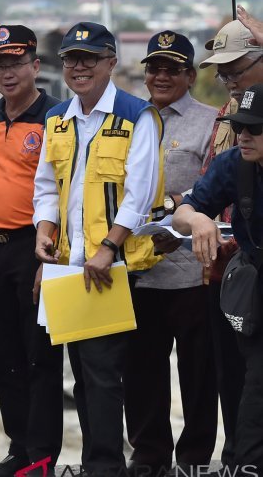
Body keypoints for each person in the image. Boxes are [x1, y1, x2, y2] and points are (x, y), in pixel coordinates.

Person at [32, 22, 164, 477]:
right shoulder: (58, 119)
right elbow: (47, 186)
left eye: (90, 58)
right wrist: (43, 232)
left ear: (111, 62)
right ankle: (97, 463)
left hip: (115, 266)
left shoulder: (136, 115)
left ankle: (105, 466)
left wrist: (109, 247)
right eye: (71, 58)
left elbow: (140, 194)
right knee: (84, 377)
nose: (79, 66)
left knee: (105, 374)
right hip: (70, 267)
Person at [0, 24, 63, 477]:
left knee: (40, 356)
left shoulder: (54, 116)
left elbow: (63, 190)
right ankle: (19, 450)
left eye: (16, 63)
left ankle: (43, 458)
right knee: (4, 355)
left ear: (35, 66)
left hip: (35, 248)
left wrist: (54, 255)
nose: (8, 72)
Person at [122, 30, 218, 476]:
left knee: (198, 375)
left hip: (192, 270)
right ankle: (148, 456)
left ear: (190, 75)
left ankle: (195, 459)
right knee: (142, 372)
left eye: (172, 68)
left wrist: (181, 209)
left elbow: (217, 189)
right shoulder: (128, 120)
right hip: (138, 271)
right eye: (154, 67)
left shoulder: (212, 122)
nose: (161, 76)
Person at [172, 82, 263, 473]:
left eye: (254, 128)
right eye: (238, 126)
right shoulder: (233, 165)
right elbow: (183, 212)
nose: (243, 136)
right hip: (254, 290)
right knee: (254, 387)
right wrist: (197, 220)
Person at [197, 16, 263, 466]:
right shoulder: (232, 117)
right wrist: (196, 219)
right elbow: (200, 194)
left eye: (236, 70)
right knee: (239, 381)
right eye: (222, 74)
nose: (229, 82)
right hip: (236, 270)